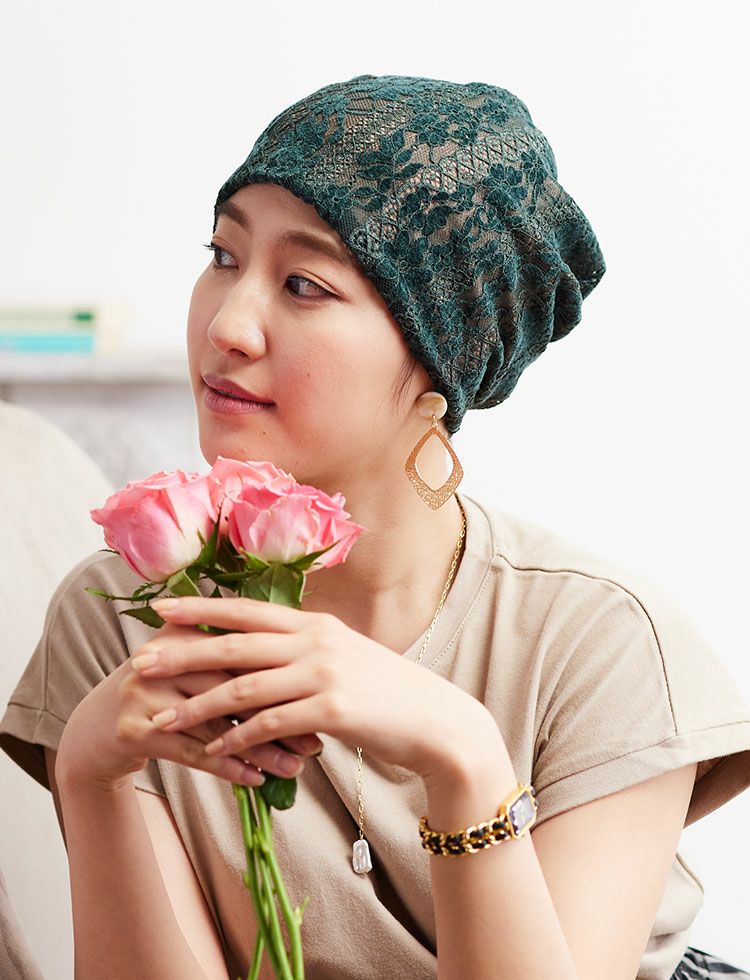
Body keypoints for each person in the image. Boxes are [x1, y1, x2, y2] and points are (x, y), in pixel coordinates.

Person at [1, 73, 749, 980]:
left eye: (304, 283)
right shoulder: (128, 611)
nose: (228, 325)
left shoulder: (601, 645)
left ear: (440, 358)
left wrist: (464, 761)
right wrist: (91, 774)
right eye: (223, 254)